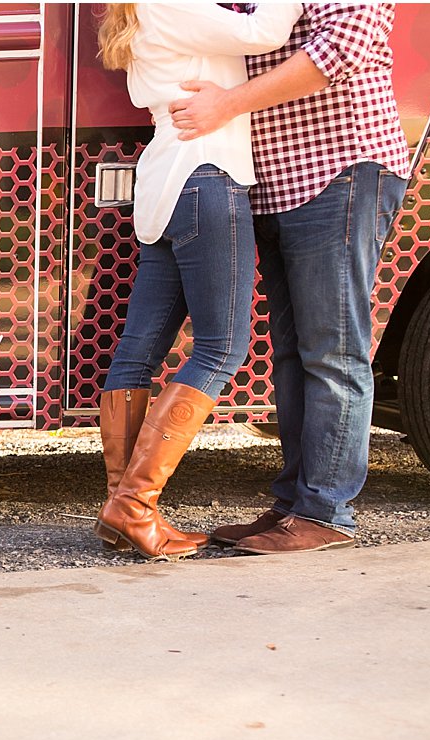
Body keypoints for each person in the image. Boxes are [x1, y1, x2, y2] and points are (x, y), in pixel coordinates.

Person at [169, 5, 410, 554]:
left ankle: (326, 512)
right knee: (294, 353)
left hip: (340, 166)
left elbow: (341, 48)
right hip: (277, 182)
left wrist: (225, 105)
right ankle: (294, 505)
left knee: (332, 351)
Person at [93, 2, 302, 561]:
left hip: (169, 178)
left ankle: (123, 508)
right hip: (207, 174)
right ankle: (134, 506)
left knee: (139, 349)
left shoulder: (139, 11)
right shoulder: (172, 3)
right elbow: (265, 31)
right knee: (223, 346)